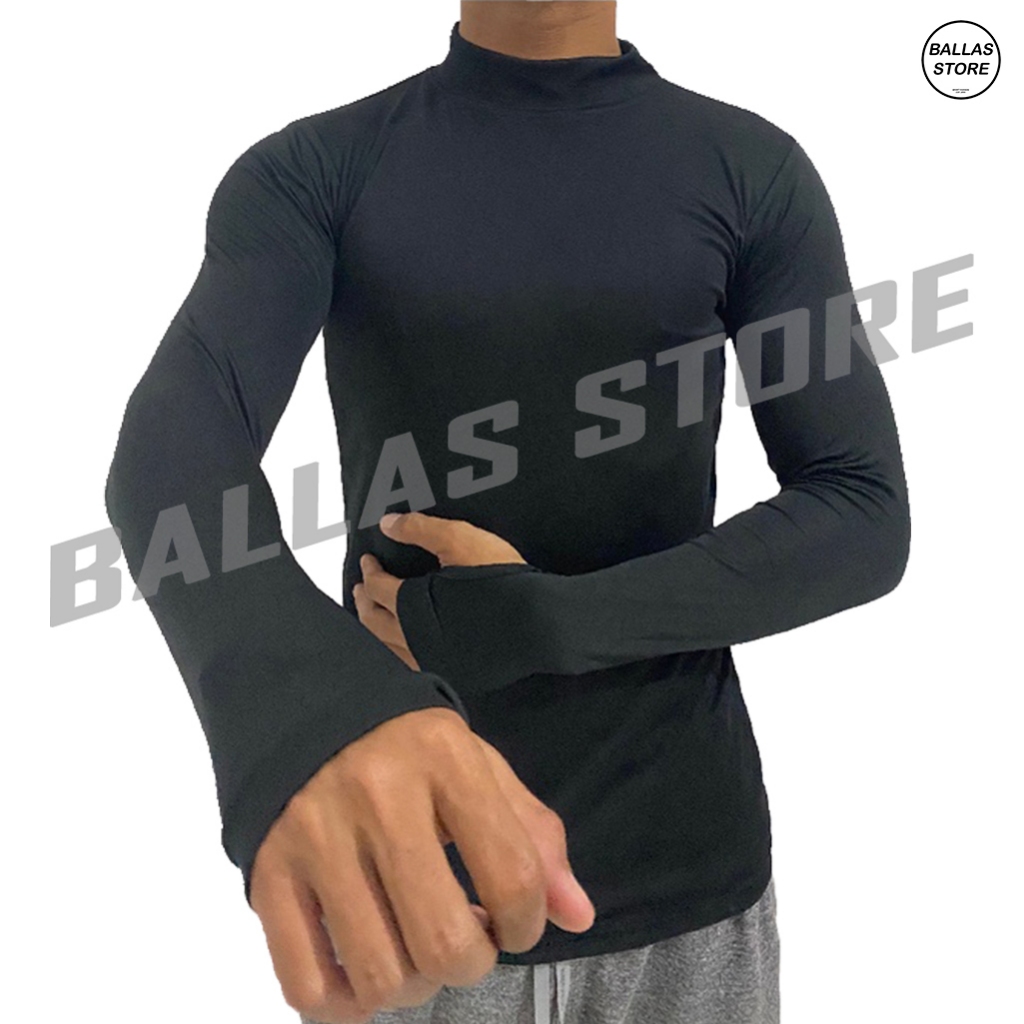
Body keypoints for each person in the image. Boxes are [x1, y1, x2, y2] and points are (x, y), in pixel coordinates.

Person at [103, 2, 910, 1022]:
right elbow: (172, 458)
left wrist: (548, 621)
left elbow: (859, 511)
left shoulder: (748, 168)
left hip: (684, 869)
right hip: (410, 878)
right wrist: (309, 710)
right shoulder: (318, 170)